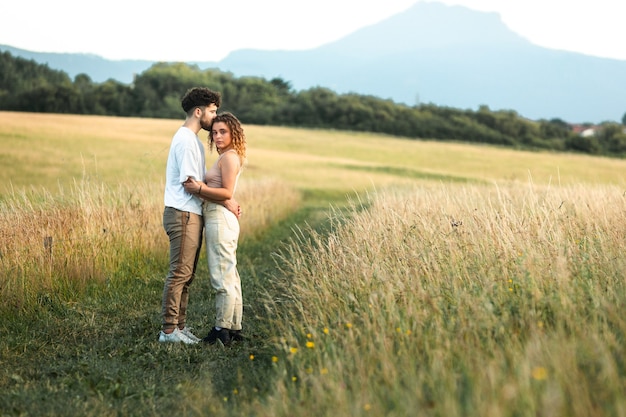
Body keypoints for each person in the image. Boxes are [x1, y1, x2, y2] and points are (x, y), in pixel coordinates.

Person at [159, 87, 239, 344]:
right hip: (183, 213)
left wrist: (226, 197)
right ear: (198, 112)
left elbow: (199, 185)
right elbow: (190, 184)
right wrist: (226, 198)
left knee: (187, 275)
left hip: (190, 213)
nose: (214, 117)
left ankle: (179, 328)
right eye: (212, 111)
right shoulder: (185, 140)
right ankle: (169, 330)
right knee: (179, 273)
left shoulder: (192, 140)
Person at [183, 112, 247, 346]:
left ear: (234, 134)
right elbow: (226, 195)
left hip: (220, 220)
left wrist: (198, 187)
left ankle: (221, 331)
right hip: (221, 217)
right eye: (215, 132)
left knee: (221, 276)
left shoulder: (229, 157)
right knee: (230, 275)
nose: (218, 136)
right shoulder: (227, 156)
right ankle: (234, 328)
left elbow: (226, 192)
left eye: (223, 132)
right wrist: (219, 196)